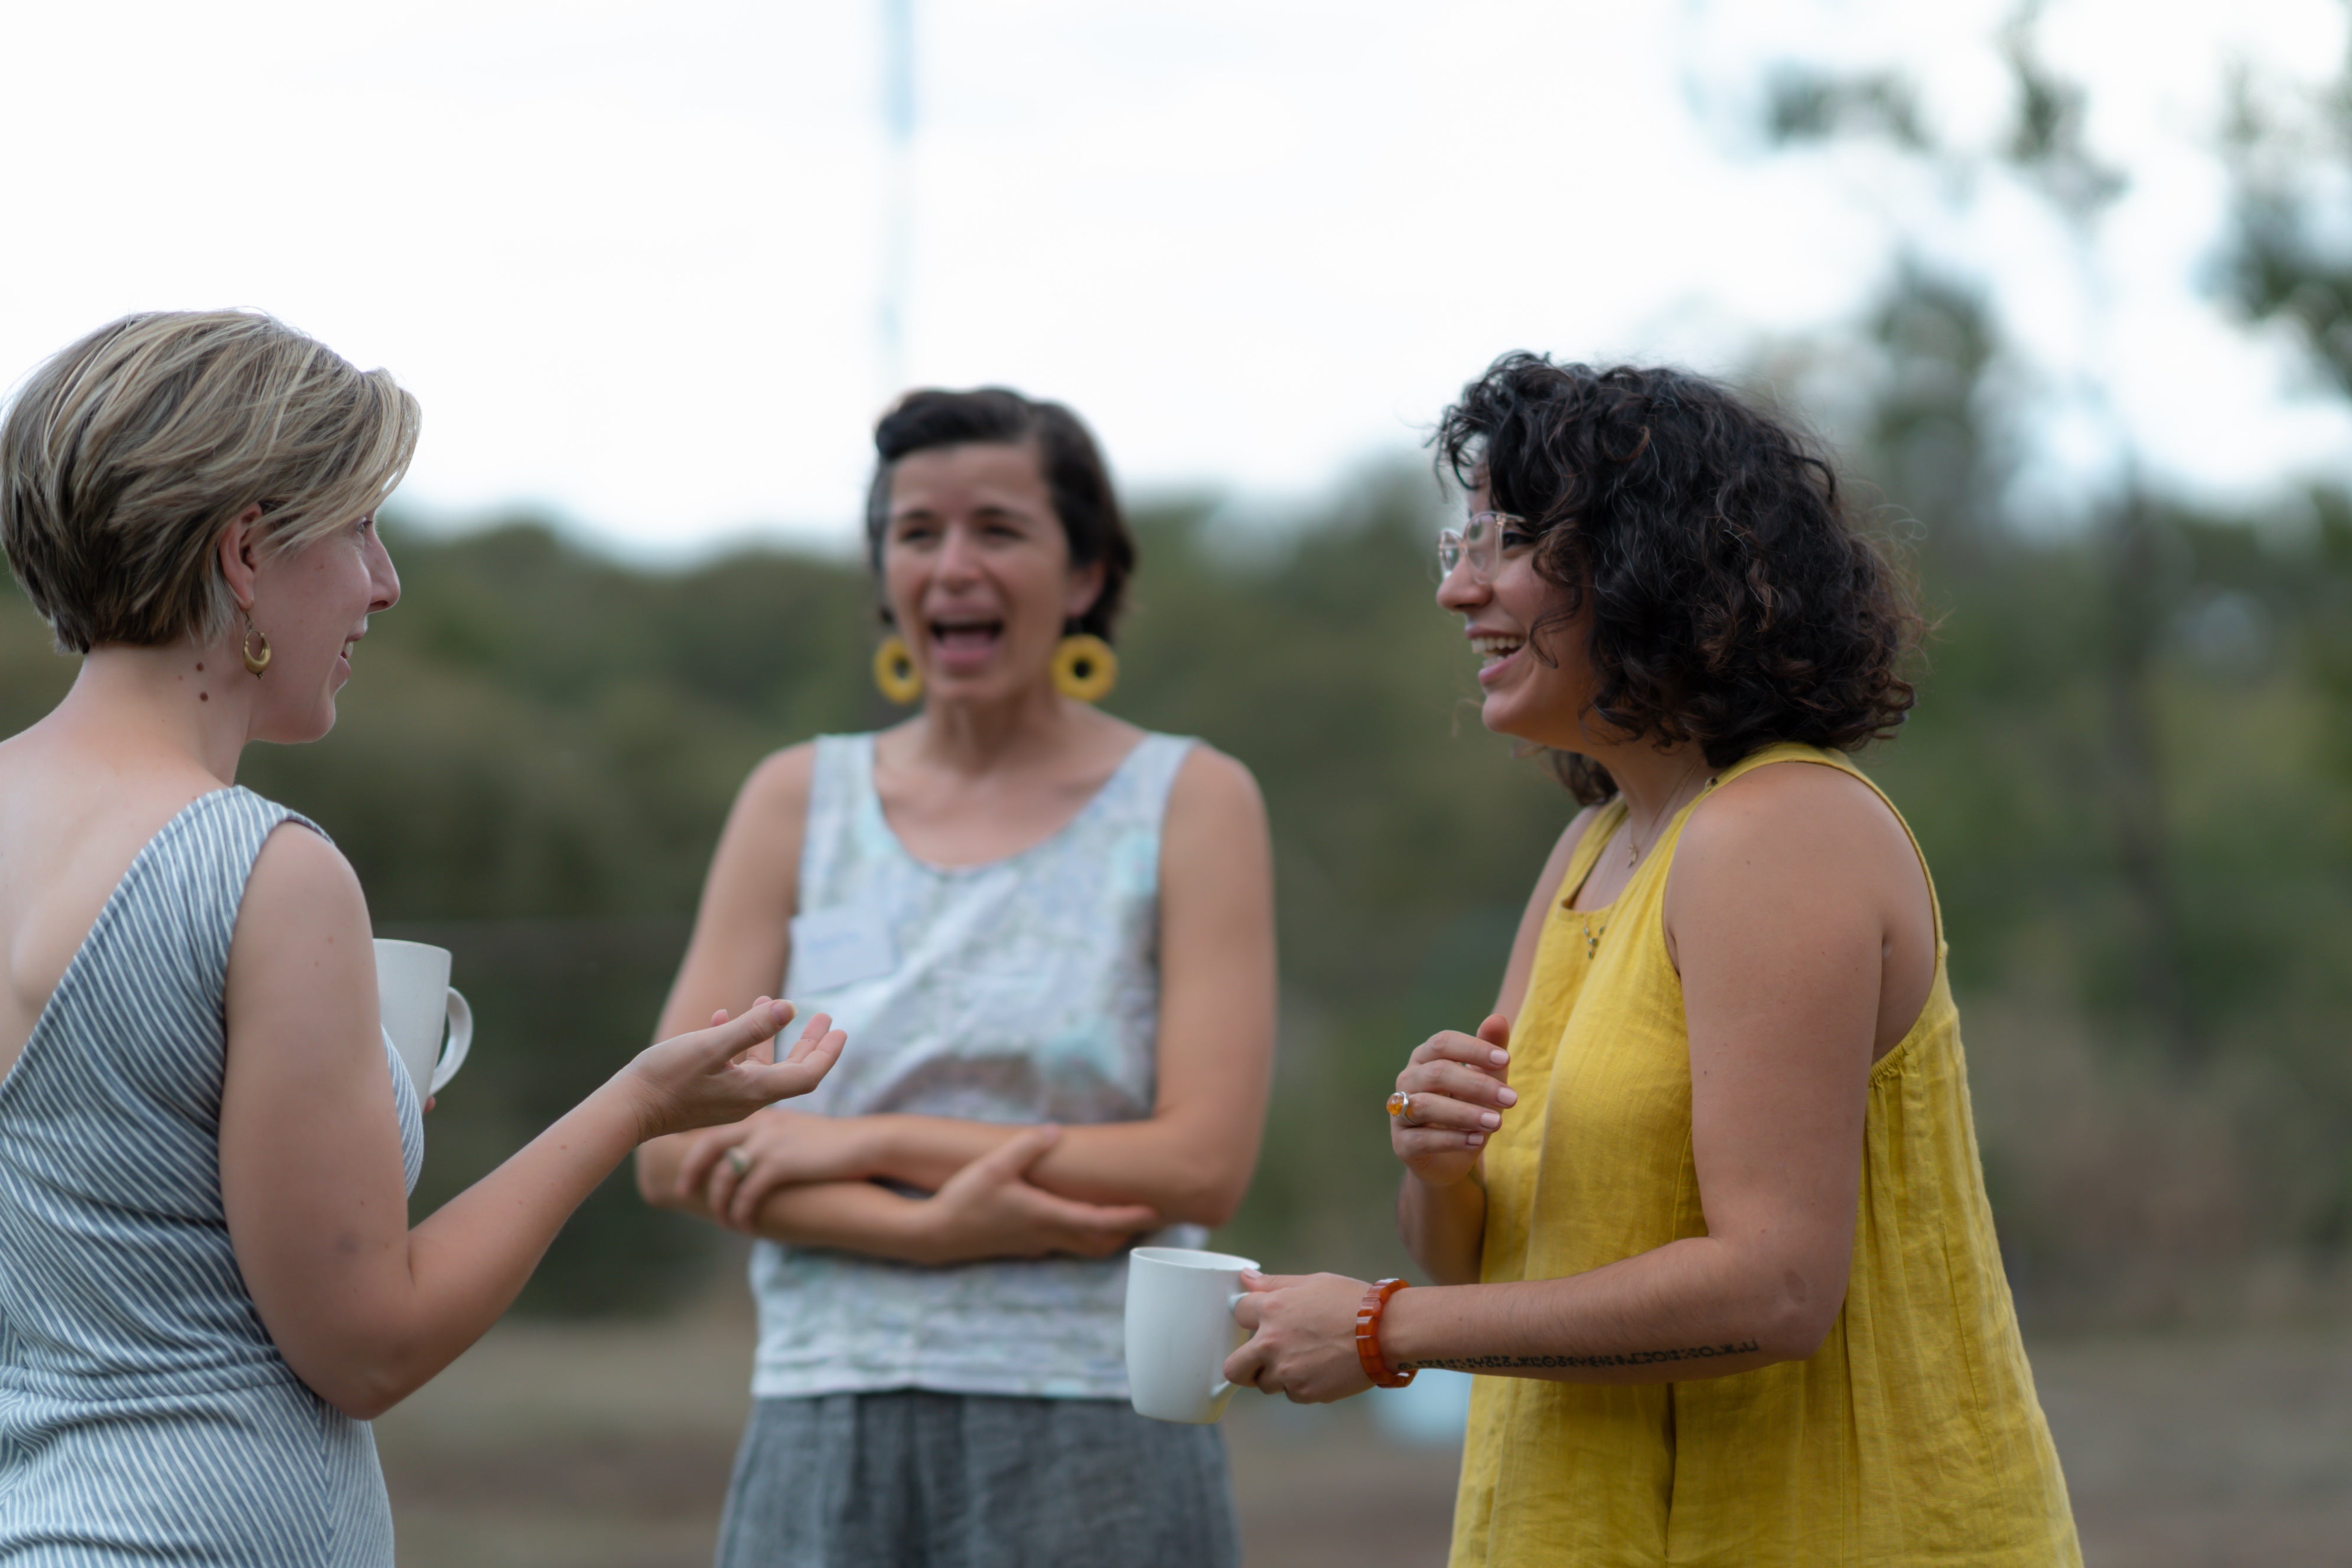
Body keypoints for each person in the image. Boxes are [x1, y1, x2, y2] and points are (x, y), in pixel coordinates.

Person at [0, 311, 847, 1567]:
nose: (384, 582)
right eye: (357, 527)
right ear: (244, 552)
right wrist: (628, 1109)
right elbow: (367, 1344)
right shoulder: (264, 872)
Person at [1225, 356, 2081, 1566]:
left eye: (1507, 539)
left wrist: (1380, 1330)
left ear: (1649, 559)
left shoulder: (1777, 830)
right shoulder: (1589, 849)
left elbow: (1773, 1286)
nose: (1457, 589)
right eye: (1455, 541)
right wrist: (1440, 1162)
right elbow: (1472, 1254)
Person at [635, 387, 1276, 1567]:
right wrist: (928, 1232)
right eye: (916, 532)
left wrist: (851, 1139)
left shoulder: (1191, 798)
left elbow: (1198, 1162)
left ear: (1084, 574)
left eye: (999, 528)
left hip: (1101, 1422)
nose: (952, 565)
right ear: (884, 573)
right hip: (823, 1412)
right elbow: (669, 1145)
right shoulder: (794, 799)